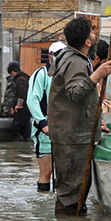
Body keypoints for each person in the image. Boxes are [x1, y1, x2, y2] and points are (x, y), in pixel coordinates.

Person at [47, 17, 111, 215]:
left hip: (70, 134)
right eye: (92, 33)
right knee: (72, 194)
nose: (95, 36)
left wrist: (96, 121)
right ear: (87, 42)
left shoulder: (69, 57)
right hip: (73, 138)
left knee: (72, 191)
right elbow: (75, 94)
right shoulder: (76, 62)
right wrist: (97, 75)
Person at [27, 41, 67, 192]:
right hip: (45, 130)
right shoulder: (41, 74)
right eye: (57, 55)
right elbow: (32, 100)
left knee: (63, 171)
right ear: (50, 56)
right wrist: (43, 124)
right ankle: (43, 200)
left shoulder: (69, 75)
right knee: (47, 170)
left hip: (65, 129)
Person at [7, 61, 31, 142]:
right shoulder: (25, 78)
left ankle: (18, 146)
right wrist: (13, 106)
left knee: (15, 130)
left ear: (13, 72)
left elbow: (21, 92)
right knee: (26, 130)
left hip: (22, 108)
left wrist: (18, 105)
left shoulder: (21, 80)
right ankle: (26, 146)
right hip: (27, 108)